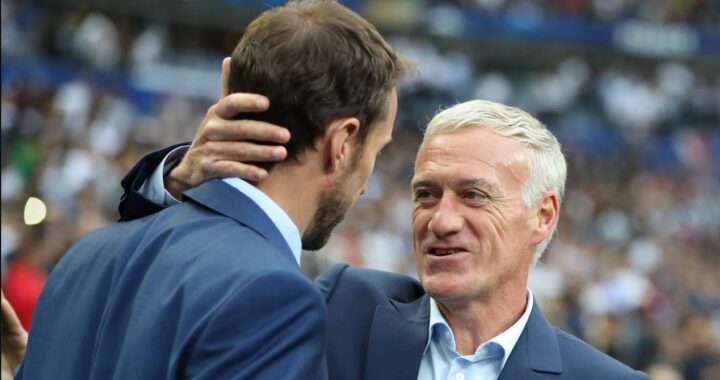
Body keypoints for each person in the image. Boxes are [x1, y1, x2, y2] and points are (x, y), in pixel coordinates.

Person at [109, 99, 651, 379]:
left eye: (474, 195)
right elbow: (185, 312)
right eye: (426, 194)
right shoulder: (343, 305)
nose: (440, 220)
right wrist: (176, 184)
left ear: (543, 216)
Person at [13, 1, 409, 379]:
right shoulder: (275, 297)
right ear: (342, 143)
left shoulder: (85, 255)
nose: (365, 187)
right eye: (377, 150)